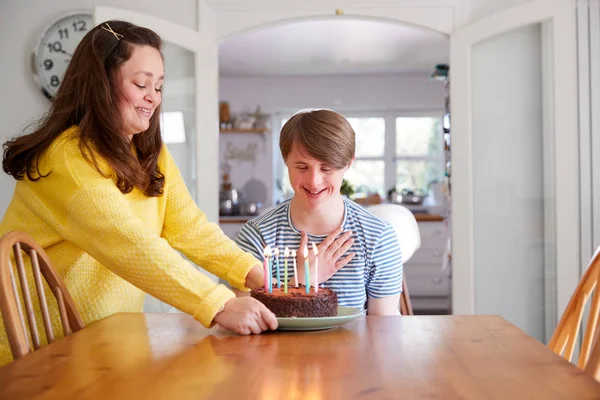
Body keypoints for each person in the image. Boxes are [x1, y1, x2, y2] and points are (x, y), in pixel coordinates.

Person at [0, 20, 276, 365]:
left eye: (159, 86)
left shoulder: (149, 152)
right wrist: (219, 303)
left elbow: (189, 227)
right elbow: (129, 242)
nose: (154, 97)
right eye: (142, 83)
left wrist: (258, 275)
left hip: (110, 343)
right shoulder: (67, 157)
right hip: (44, 352)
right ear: (101, 84)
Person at [235, 109, 403, 315]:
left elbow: (382, 330)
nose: (314, 181)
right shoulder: (257, 236)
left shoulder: (378, 238)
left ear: (349, 162)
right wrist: (302, 281)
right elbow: (246, 322)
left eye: (326, 168)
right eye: (302, 167)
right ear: (285, 161)